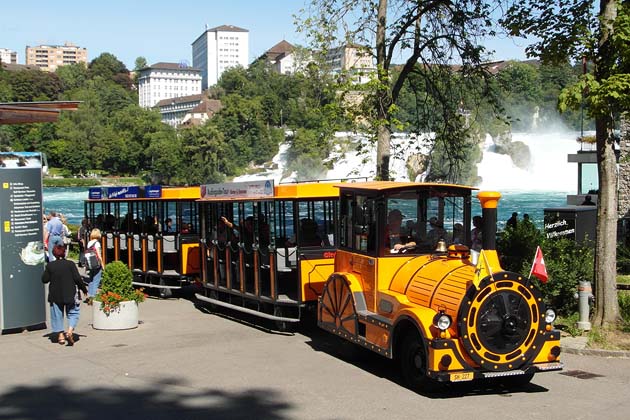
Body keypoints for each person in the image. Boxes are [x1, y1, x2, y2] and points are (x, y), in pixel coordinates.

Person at [41, 244, 87, 346]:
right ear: (64, 253)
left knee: (57, 315)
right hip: (70, 294)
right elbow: (77, 278)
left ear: (53, 254)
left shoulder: (50, 266)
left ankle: (61, 336)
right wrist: (84, 289)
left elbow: (44, 280)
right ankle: (70, 330)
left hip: (55, 295)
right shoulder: (70, 264)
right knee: (73, 313)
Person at [85, 228, 103, 305]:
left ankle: (90, 295)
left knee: (91, 279)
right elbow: (99, 255)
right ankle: (93, 297)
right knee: (96, 280)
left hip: (90, 263)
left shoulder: (89, 243)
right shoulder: (97, 243)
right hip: (96, 264)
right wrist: (102, 264)